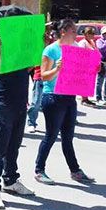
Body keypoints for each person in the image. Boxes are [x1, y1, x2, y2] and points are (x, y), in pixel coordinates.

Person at [33, 19, 95, 186]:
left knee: (68, 137)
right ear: (63, 32)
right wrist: (57, 68)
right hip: (53, 96)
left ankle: (75, 171)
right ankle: (39, 170)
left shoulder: (76, 48)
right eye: (74, 31)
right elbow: (44, 76)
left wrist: (91, 67)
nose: (76, 34)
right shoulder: (51, 49)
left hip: (69, 96)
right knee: (51, 136)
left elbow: (82, 73)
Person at [0, 7, 35, 209]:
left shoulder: (21, 45)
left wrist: (36, 46)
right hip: (3, 103)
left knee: (14, 145)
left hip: (20, 102)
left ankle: (11, 180)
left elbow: (29, 68)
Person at [26, 26, 56, 133]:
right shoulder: (38, 48)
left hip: (52, 77)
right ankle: (31, 123)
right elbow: (33, 62)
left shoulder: (54, 47)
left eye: (49, 34)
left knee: (53, 103)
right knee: (36, 102)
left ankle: (54, 126)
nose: (47, 36)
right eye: (45, 35)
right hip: (39, 77)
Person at [78, 26, 99, 107]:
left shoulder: (92, 42)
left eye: (94, 33)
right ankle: (84, 99)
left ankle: (86, 98)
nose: (93, 35)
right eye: (92, 33)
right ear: (86, 34)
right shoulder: (82, 43)